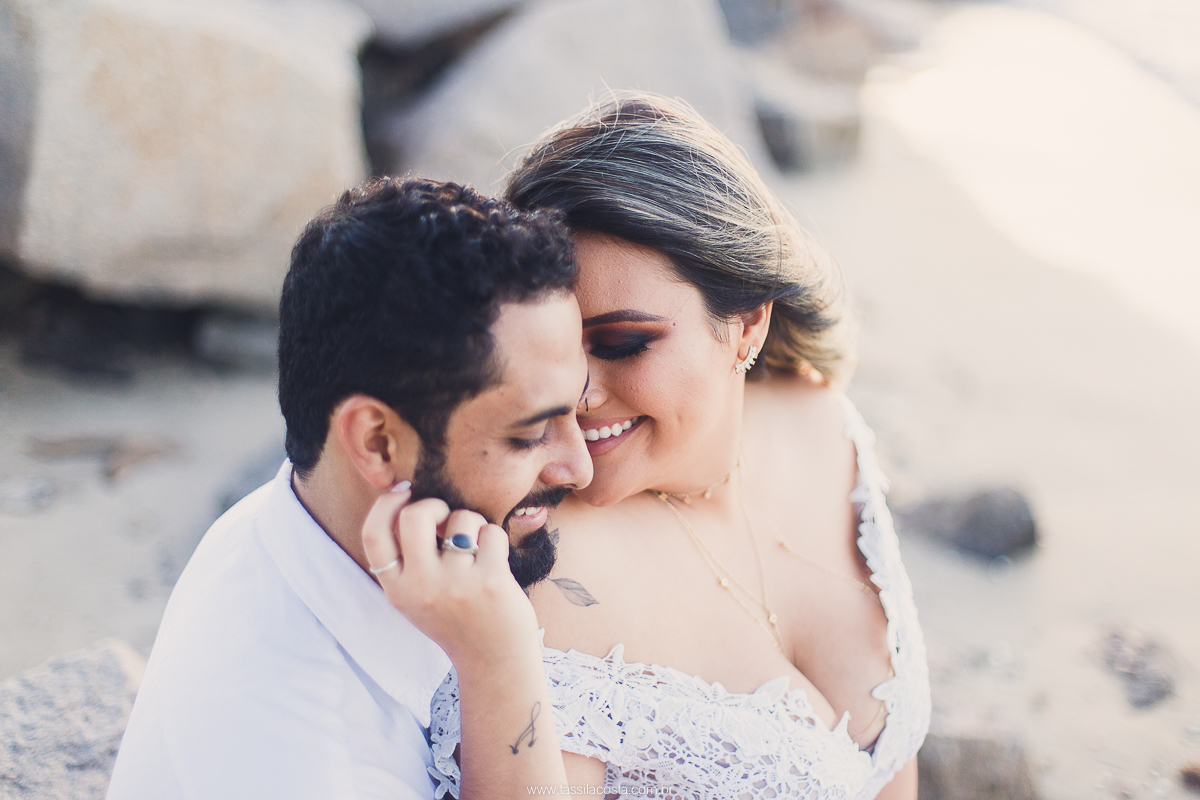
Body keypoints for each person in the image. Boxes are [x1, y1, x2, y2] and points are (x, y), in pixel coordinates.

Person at [425, 95, 931, 799]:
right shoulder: (548, 565)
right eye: (559, 353)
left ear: (748, 323)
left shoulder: (822, 424)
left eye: (624, 343)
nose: (578, 394)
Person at [106, 178, 595, 799]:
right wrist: (502, 669)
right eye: (528, 436)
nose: (580, 468)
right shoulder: (302, 761)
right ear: (377, 444)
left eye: (575, 412)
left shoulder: (299, 519)